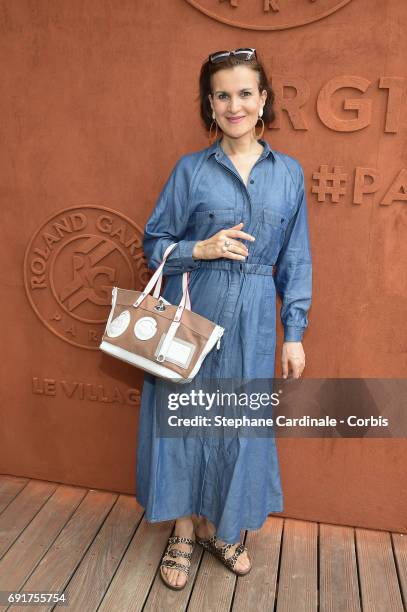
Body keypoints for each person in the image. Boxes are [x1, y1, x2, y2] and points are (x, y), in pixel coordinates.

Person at [135, 47, 312, 590]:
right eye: (221, 95)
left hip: (256, 322)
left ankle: (224, 528)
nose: (233, 104)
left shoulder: (289, 174)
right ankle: (184, 532)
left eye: (244, 93)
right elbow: (154, 243)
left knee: (238, 427)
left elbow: (296, 257)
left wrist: (295, 333)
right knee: (184, 423)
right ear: (210, 106)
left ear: (263, 101)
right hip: (193, 313)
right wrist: (201, 250)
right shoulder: (190, 171)